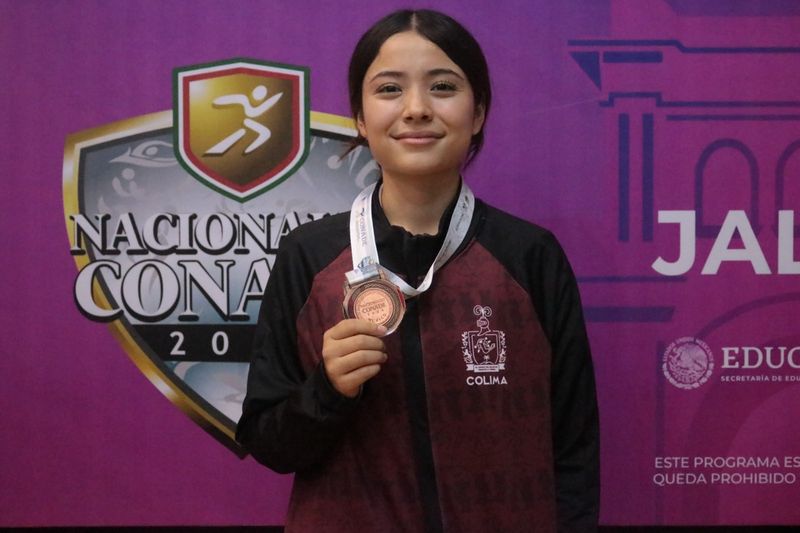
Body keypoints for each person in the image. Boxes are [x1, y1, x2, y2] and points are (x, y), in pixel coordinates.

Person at [237, 9, 599, 532]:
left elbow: (574, 445)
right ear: (360, 117)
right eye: (388, 89)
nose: (416, 109)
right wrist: (327, 390)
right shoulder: (309, 256)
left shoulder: (530, 257)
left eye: (443, 86)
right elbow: (268, 442)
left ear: (478, 113)